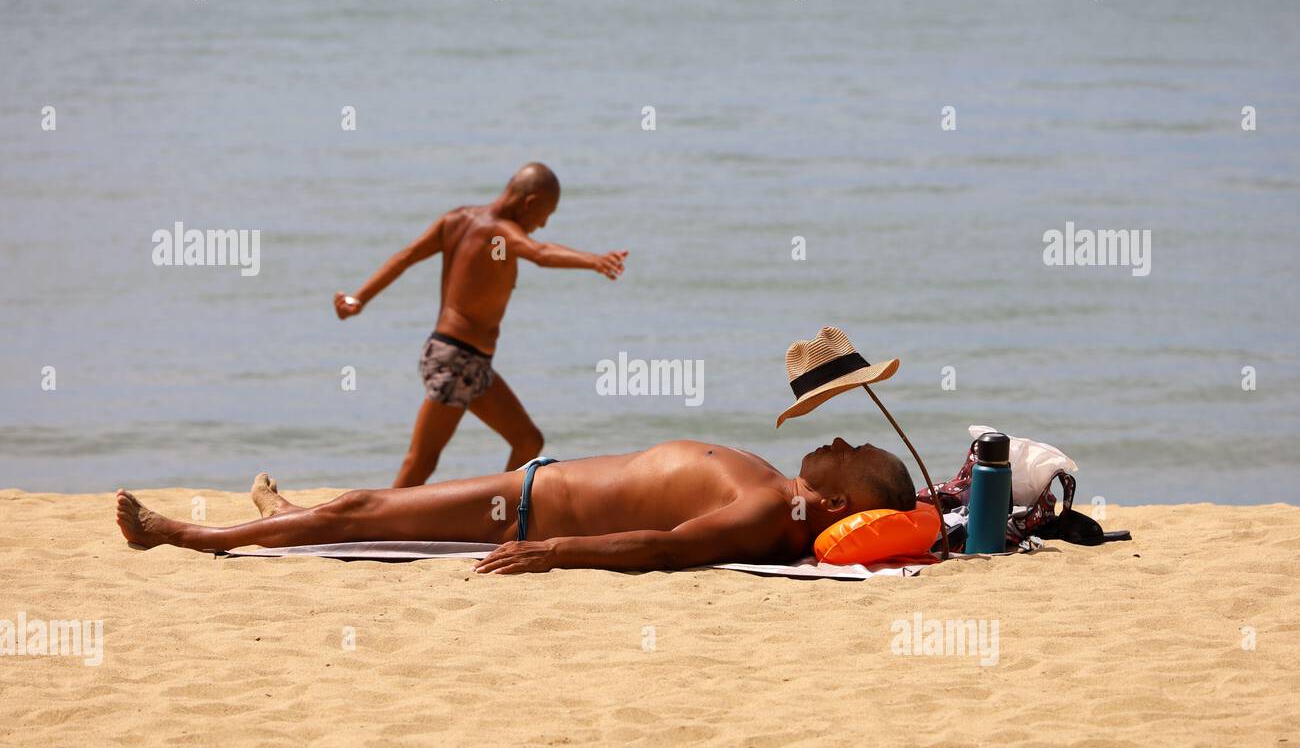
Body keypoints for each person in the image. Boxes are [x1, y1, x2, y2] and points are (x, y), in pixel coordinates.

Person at [114, 438, 917, 574]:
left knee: (363, 506)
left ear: (839, 494)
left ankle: (188, 536)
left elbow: (667, 545)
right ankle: (288, 514)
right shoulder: (784, 499)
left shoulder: (768, 513)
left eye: (848, 454)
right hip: (537, 488)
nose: (837, 441)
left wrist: (554, 551)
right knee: (371, 508)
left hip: (531, 511)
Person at [334, 162, 628, 486]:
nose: (543, 224)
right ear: (529, 203)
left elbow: (405, 257)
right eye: (546, 215)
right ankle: (377, 526)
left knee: (527, 441)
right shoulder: (500, 233)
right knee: (422, 460)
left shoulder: (456, 220)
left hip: (471, 362)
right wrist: (595, 261)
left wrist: (359, 298)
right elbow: (540, 252)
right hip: (455, 359)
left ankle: (494, 512)